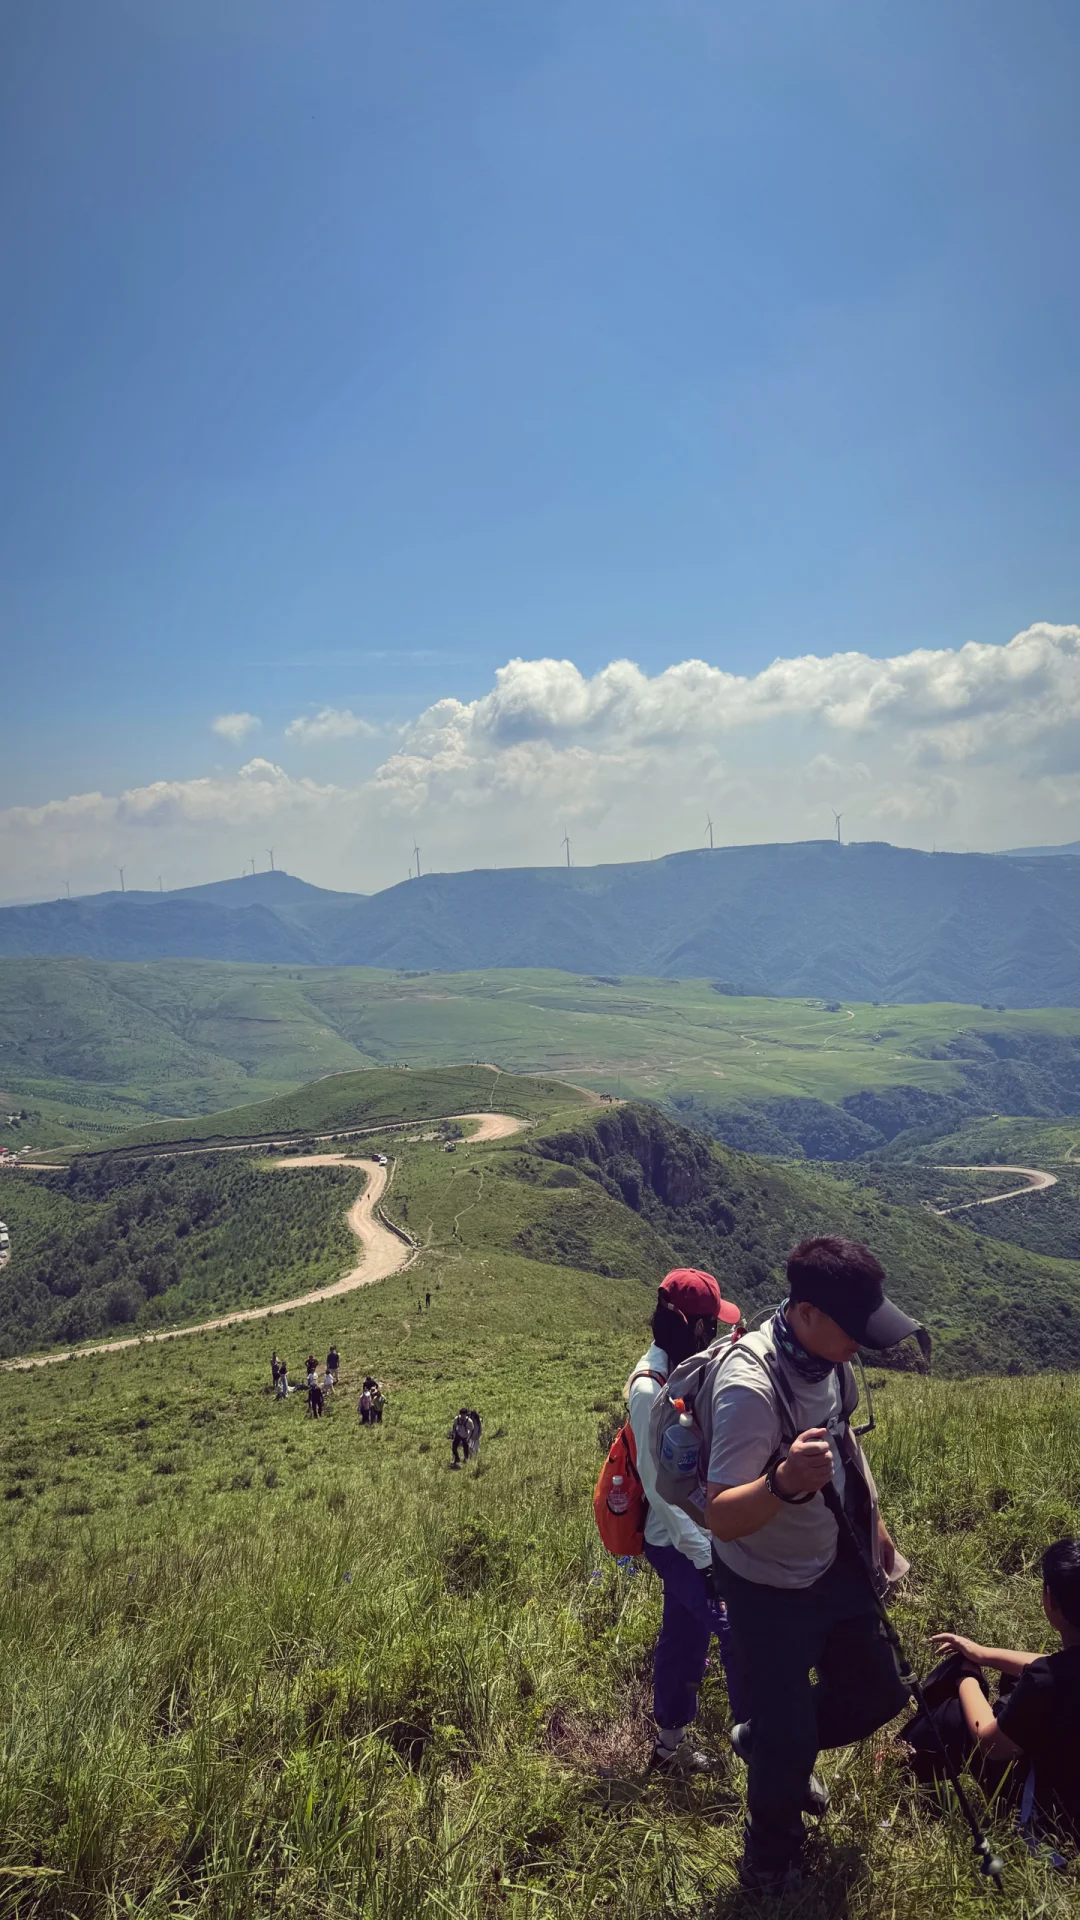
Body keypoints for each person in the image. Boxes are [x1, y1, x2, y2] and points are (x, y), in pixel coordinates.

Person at [705, 1236, 921, 1895]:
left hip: (835, 1560)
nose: (860, 1343)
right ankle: (769, 1860)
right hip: (766, 1582)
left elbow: (845, 1445)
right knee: (791, 1735)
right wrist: (782, 1484)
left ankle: (771, 1741)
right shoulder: (748, 1388)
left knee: (884, 1689)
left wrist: (876, 1528)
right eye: (852, 1330)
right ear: (803, 1315)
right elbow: (719, 1515)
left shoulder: (832, 1364)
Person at [628, 1267, 748, 1774]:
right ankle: (766, 1755)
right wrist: (707, 1560)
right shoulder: (649, 1387)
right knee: (739, 1631)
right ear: (692, 1326)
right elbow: (660, 1491)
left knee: (684, 1635)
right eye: (712, 1325)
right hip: (678, 1539)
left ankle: (668, 1745)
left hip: (700, 1534)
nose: (717, 1332)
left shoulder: (687, 1364)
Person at [914, 1539, 1080, 1850]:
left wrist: (967, 1676)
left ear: (1049, 1602)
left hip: (1054, 1815)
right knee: (1012, 1677)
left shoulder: (1045, 1683)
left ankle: (901, 1758)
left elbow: (990, 1744)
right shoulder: (1054, 1675)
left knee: (951, 1715)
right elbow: (1051, 1667)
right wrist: (982, 1653)